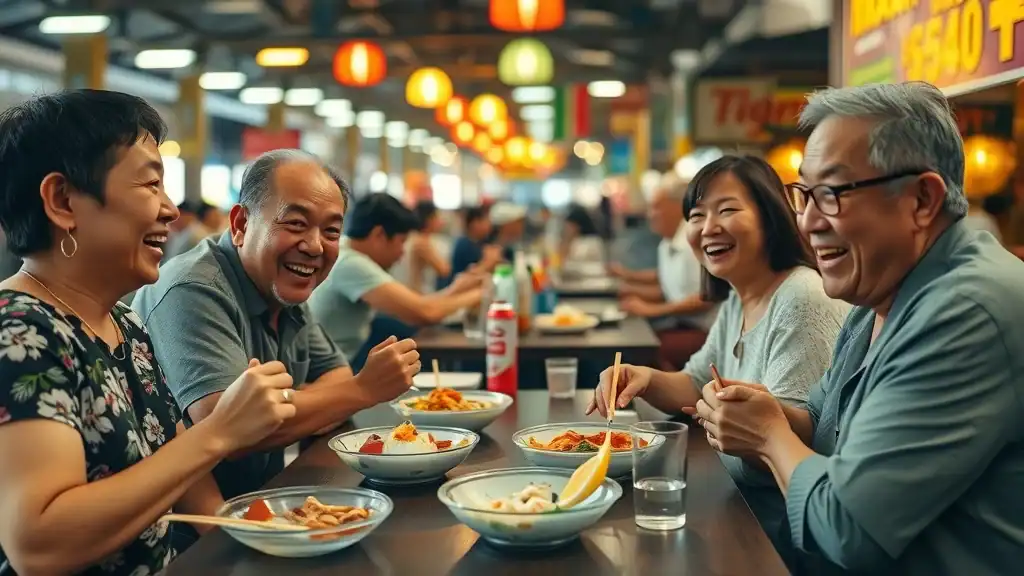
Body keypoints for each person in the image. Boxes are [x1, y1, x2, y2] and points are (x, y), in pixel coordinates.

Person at [695, 82, 1024, 575]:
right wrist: (770, 412)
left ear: (922, 199)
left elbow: (846, 530)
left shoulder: (966, 310)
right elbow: (822, 420)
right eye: (804, 194)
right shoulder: (878, 293)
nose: (807, 222)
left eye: (831, 193)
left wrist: (766, 435)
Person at [0, 90, 296, 575]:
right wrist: (219, 432)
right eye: (151, 184)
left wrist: (240, 534)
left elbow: (176, 460)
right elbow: (39, 546)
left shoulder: (124, 323)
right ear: (62, 201)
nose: (171, 210)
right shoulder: (19, 332)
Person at [588, 154, 849, 547]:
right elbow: (696, 382)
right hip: (735, 502)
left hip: (777, 530)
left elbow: (797, 439)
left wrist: (736, 418)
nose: (708, 227)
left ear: (771, 217)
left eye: (727, 210)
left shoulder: (801, 297)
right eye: (696, 216)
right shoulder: (738, 299)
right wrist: (644, 378)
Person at [132, 149, 420, 501]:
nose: (314, 246)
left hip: (262, 501)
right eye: (296, 223)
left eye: (331, 231)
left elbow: (336, 378)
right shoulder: (193, 288)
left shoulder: (281, 289)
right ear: (240, 225)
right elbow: (232, 428)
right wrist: (363, 390)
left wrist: (294, 403)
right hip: (192, 522)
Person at [307, 194, 482, 363]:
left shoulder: (347, 251)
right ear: (379, 235)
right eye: (401, 242)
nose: (401, 253)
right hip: (331, 372)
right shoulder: (351, 263)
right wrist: (479, 294)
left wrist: (457, 290)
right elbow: (425, 313)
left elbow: (421, 306)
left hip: (340, 363)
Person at [609, 177, 719, 371]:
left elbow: (706, 298)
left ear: (679, 207)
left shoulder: (696, 241)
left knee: (647, 350)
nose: (650, 215)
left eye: (656, 207)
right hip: (683, 325)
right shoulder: (668, 242)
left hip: (710, 332)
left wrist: (651, 309)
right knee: (636, 340)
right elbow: (666, 285)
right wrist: (630, 288)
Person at [392, 200, 452, 294]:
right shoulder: (421, 242)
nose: (440, 221)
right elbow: (444, 270)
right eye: (437, 217)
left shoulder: (413, 237)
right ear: (429, 220)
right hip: (417, 294)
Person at [445, 206, 503, 285]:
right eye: (486, 221)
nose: (489, 225)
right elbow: (470, 274)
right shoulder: (464, 245)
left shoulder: (481, 243)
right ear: (475, 223)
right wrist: (489, 262)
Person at [162, 201, 226, 263]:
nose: (219, 219)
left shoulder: (197, 232)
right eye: (215, 215)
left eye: (219, 215)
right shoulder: (195, 233)